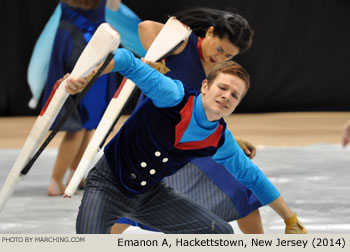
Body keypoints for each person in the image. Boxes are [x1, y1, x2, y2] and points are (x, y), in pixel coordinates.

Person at [65, 48, 306, 234]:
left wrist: (290, 219)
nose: (226, 96)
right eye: (222, 87)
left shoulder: (220, 140)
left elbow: (253, 178)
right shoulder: (172, 95)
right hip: (107, 184)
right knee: (90, 244)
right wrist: (90, 75)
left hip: (150, 195)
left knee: (218, 235)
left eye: (234, 95)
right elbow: (125, 59)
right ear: (205, 86)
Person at [112, 8, 263, 234]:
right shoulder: (183, 43)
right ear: (210, 32)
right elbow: (145, 27)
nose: (220, 58)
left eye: (228, 56)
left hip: (188, 141)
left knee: (243, 190)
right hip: (150, 138)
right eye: (220, 49)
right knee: (128, 206)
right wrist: (157, 56)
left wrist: (233, 142)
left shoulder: (219, 72)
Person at [42, 0, 117, 196]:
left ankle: (75, 175)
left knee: (86, 122)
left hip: (87, 40)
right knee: (77, 123)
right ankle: (57, 180)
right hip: (84, 42)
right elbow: (115, 7)